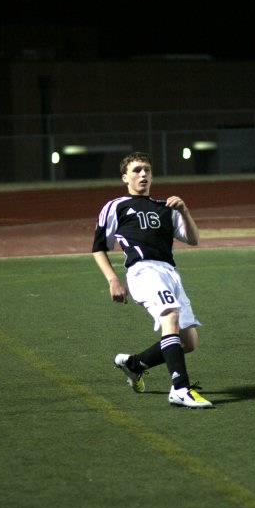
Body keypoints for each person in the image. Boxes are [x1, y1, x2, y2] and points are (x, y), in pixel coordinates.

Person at [91, 151, 214, 409]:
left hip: (170, 273)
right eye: (136, 170)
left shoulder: (165, 208)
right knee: (169, 315)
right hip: (143, 271)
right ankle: (180, 388)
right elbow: (99, 247)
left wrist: (185, 210)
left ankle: (135, 364)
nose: (143, 174)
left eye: (147, 169)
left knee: (188, 342)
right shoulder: (116, 206)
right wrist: (112, 279)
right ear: (125, 177)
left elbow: (192, 239)